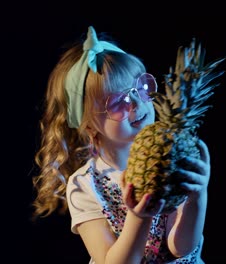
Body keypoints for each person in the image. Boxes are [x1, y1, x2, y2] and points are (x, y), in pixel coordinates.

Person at [31, 25, 211, 264]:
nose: (136, 103)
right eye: (118, 101)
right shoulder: (85, 185)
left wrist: (198, 196)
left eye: (141, 88)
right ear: (89, 126)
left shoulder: (171, 157)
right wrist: (139, 217)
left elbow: (180, 248)